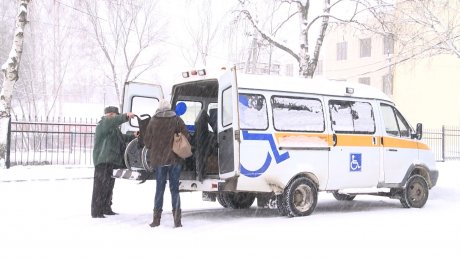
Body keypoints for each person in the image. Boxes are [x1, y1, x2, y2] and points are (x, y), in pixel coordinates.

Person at [144, 99, 190, 228]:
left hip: (159, 160)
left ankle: (156, 220)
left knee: (159, 189)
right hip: (175, 159)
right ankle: (177, 220)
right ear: (170, 108)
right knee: (174, 190)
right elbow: (186, 136)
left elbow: (147, 142)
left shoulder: (153, 121)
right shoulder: (176, 119)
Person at [91, 106, 136, 218]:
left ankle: (106, 207)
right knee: (100, 187)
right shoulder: (103, 123)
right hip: (103, 160)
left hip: (110, 161)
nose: (116, 118)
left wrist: (133, 136)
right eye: (116, 115)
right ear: (110, 115)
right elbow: (113, 121)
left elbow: (122, 138)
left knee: (108, 186)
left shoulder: (113, 129)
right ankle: (96, 211)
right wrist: (126, 116)